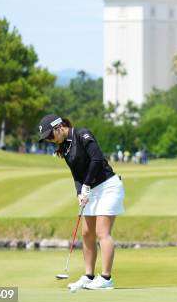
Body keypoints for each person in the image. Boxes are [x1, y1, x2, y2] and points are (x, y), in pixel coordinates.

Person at [38, 114, 125, 290]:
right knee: (86, 233)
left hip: (108, 186)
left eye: (49, 135)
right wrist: (80, 192)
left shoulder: (82, 134)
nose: (49, 140)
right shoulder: (64, 147)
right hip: (90, 190)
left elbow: (97, 159)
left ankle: (107, 279)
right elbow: (76, 174)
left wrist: (86, 185)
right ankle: (89, 276)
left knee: (102, 232)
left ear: (59, 127)